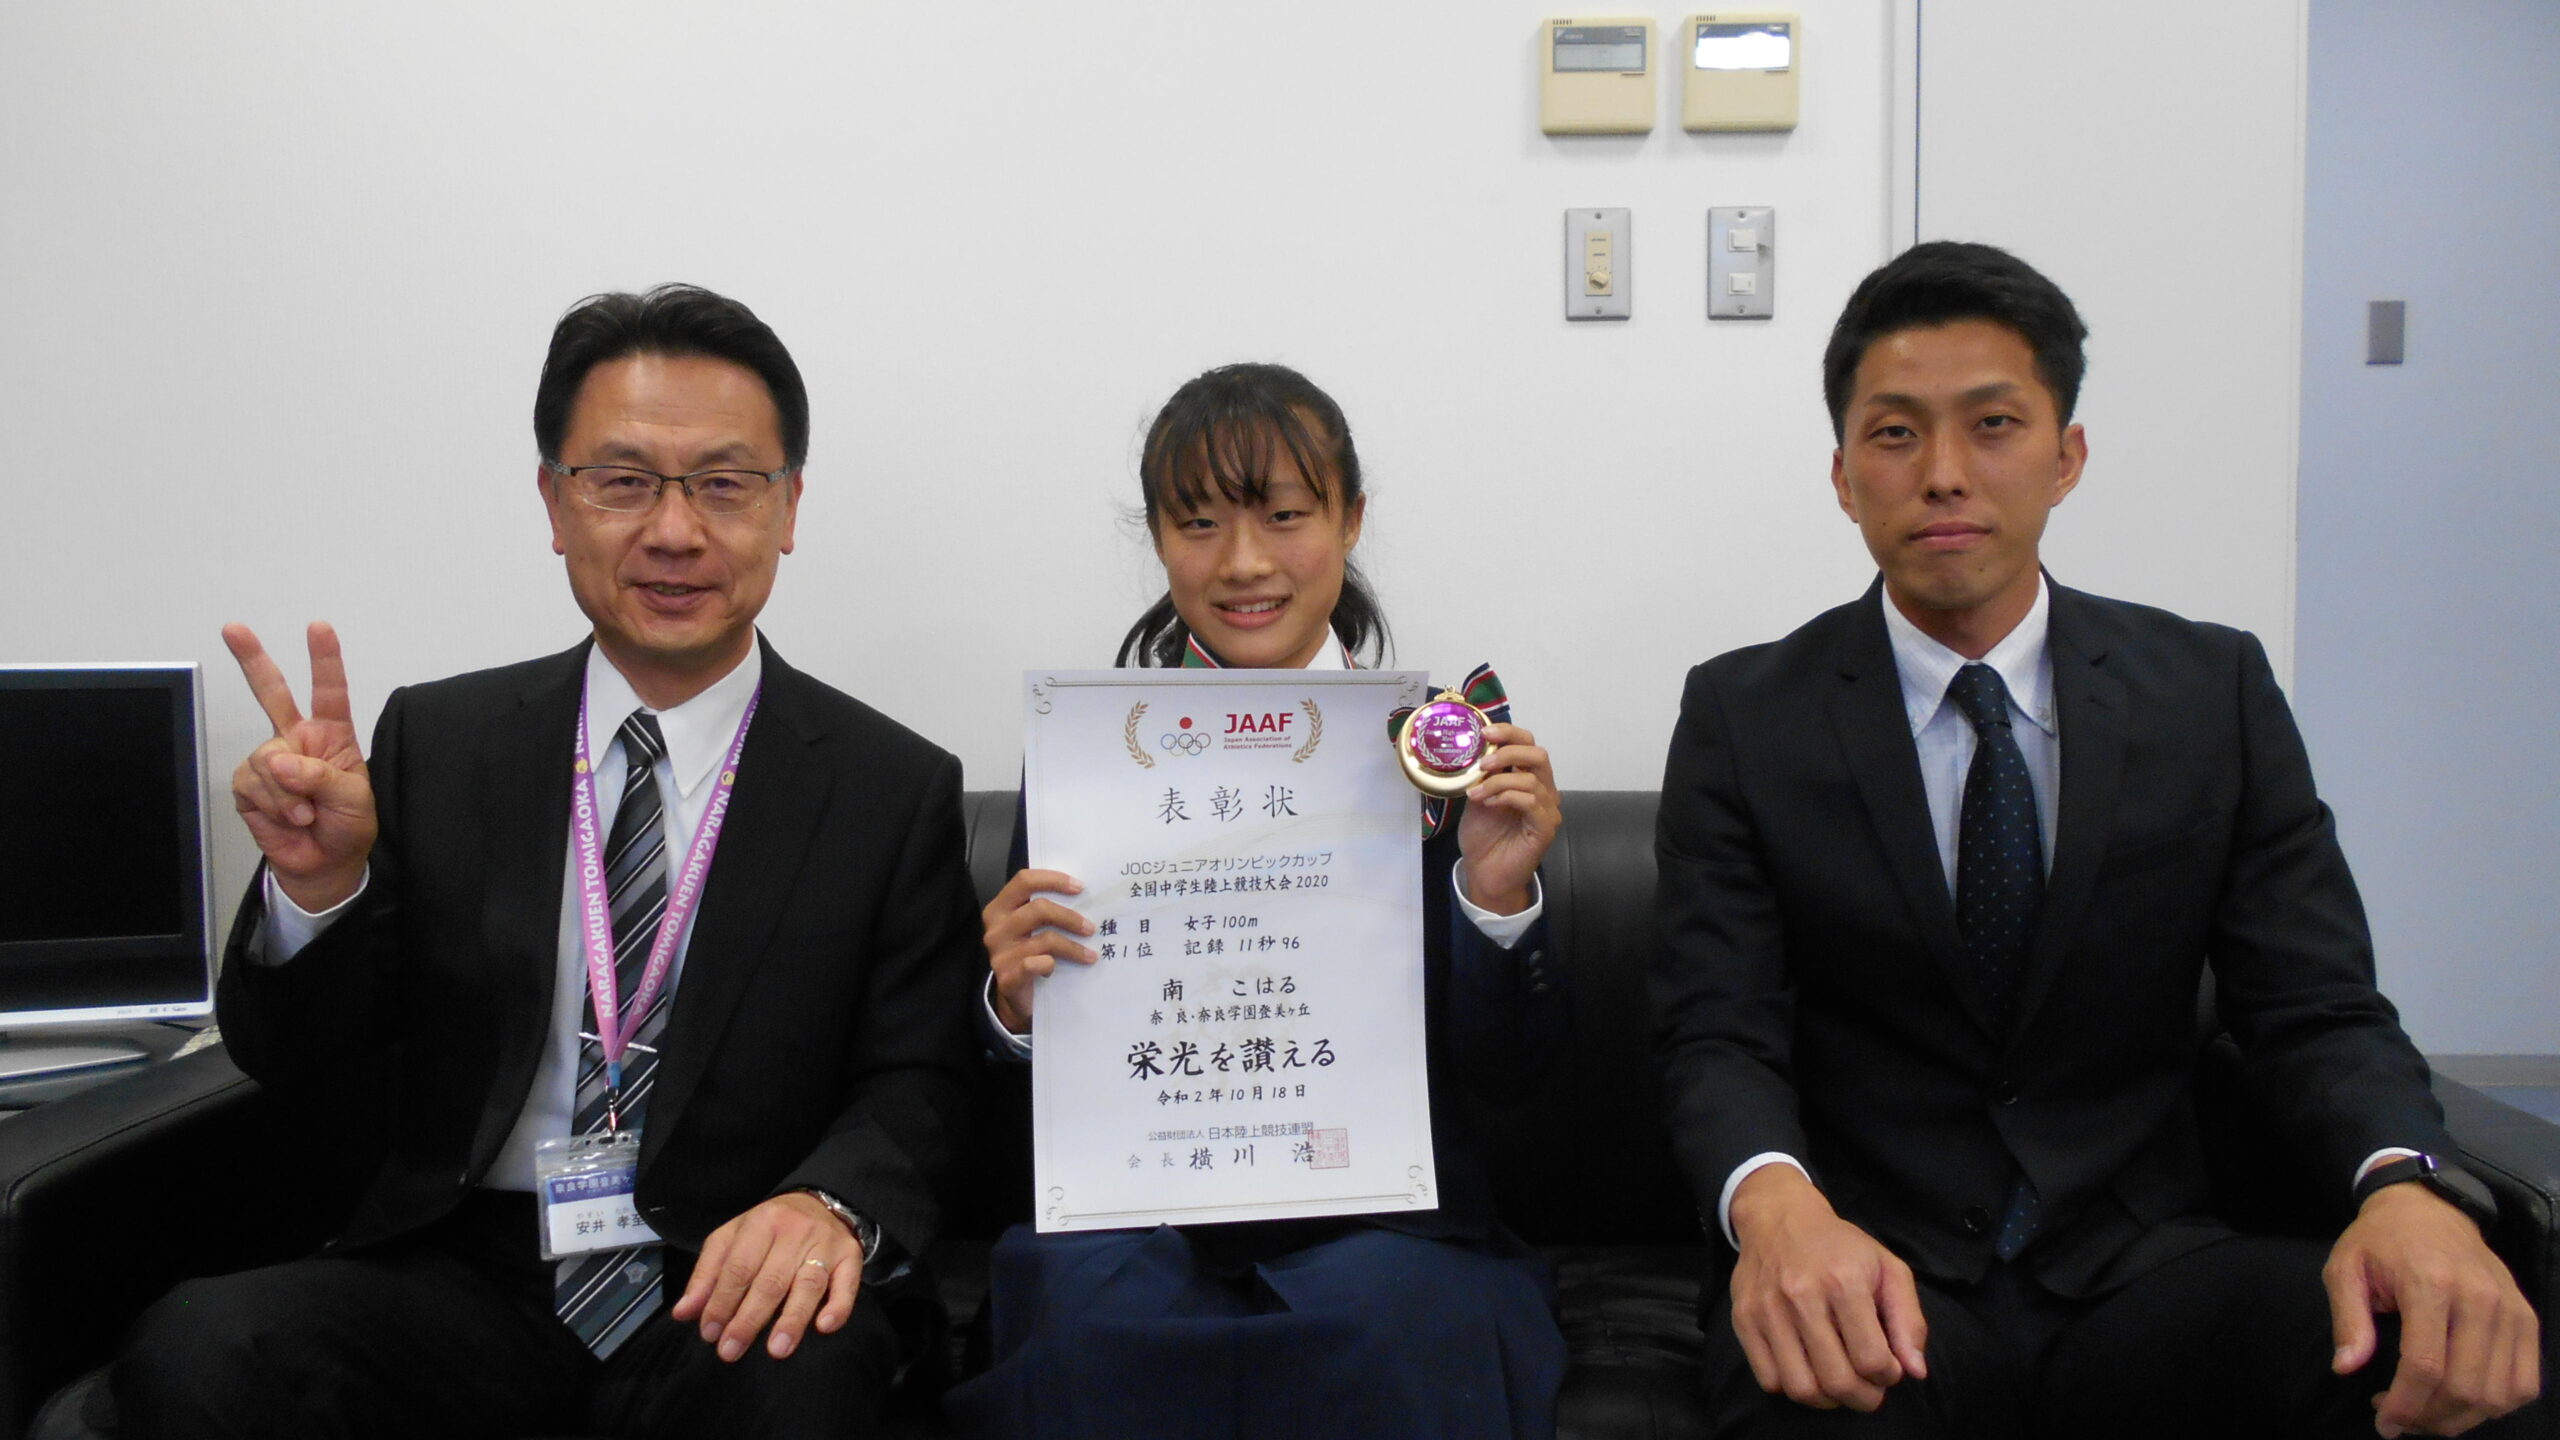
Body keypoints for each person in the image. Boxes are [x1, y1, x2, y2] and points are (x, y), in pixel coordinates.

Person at [1652, 241, 2540, 1439]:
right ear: (1842, 476)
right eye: (1895, 434)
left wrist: (2404, 1184)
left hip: (2150, 1263)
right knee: (1805, 1399)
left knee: (2448, 1367)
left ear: (2066, 456)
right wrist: (1776, 1212)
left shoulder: (2210, 693)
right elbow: (1715, 1031)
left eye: (1993, 425)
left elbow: (2315, 1008)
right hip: (1869, 1261)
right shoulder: (1745, 715)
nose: (1944, 474)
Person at [115, 284, 983, 1439]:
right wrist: (319, 892)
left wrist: (830, 1204)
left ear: (788, 507)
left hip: (730, 1267)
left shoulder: (887, 786)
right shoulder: (440, 743)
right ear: (554, 502)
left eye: (724, 484)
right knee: (202, 1347)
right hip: (468, 1273)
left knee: (802, 1380)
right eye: (622, 481)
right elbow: (296, 1059)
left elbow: (920, 1077)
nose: (673, 531)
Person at [946, 362, 1570, 1439]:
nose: (1243, 563)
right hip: (1141, 1222)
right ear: (1156, 537)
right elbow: (1024, 1105)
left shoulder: (1442, 752)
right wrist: (1013, 1008)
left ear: (1350, 520)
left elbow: (1514, 1079)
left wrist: (1494, 894)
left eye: (1284, 516)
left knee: (1394, 1324)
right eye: (1199, 523)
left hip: (1389, 1229)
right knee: (1087, 1329)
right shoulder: (1089, 757)